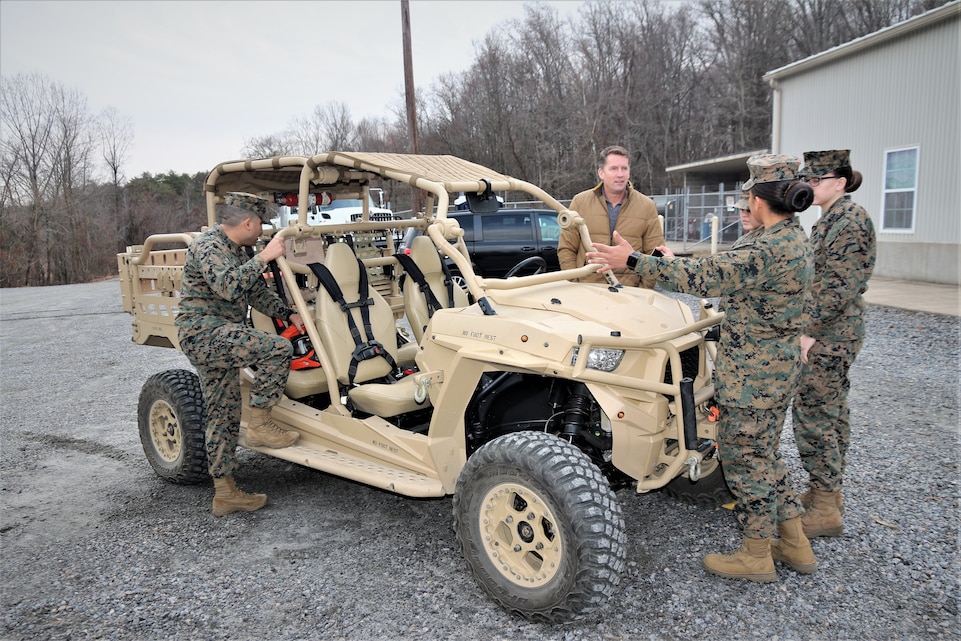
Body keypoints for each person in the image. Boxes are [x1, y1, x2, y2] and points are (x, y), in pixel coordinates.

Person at [586, 154, 817, 582]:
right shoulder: (792, 237)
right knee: (765, 456)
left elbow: (709, 274)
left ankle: (756, 555)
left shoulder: (767, 247)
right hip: (775, 370)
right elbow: (719, 274)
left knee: (745, 461)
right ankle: (796, 544)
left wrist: (634, 261)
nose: (746, 200)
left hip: (754, 377)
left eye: (749, 193)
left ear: (760, 199)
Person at [176, 192, 302, 517]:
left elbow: (254, 290)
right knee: (277, 349)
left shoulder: (239, 248)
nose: (262, 231)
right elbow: (229, 286)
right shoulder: (208, 246)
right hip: (203, 333)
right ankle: (260, 423)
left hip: (219, 334)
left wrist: (287, 314)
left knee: (223, 414)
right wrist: (265, 257)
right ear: (247, 222)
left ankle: (225, 494)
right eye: (260, 224)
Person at [793, 149, 876, 538]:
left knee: (816, 415)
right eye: (807, 180)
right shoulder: (832, 219)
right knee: (831, 413)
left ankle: (826, 507)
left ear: (840, 182)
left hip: (830, 335)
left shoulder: (849, 221)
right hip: (833, 332)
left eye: (817, 180)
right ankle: (827, 493)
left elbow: (839, 286)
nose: (810, 186)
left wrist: (808, 331)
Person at [558, 145, 664, 287]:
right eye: (614, 168)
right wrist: (575, 283)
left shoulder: (646, 206)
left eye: (624, 168)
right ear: (601, 173)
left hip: (630, 294)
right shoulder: (580, 202)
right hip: (588, 290)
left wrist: (644, 289)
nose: (620, 174)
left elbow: (655, 254)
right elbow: (566, 247)